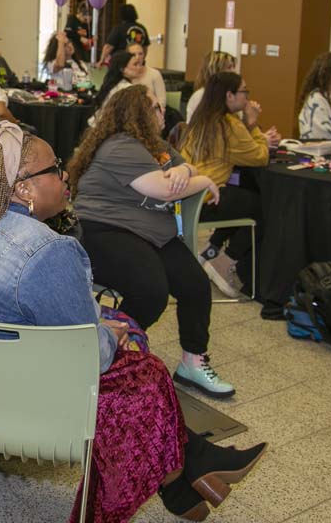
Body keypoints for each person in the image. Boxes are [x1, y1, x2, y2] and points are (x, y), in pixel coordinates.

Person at [0, 123, 265, 521]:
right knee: (140, 366)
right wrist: (110, 333)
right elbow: (92, 358)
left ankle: (183, 482)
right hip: (20, 404)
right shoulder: (48, 250)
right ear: (23, 189)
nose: (66, 175)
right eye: (54, 170)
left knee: (133, 359)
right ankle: (188, 468)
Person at [69, 85, 235, 399]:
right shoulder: (120, 145)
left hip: (151, 233)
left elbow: (187, 168)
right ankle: (112, 351)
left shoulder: (155, 146)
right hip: (104, 229)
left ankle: (192, 362)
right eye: (156, 107)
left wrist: (186, 170)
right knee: (151, 290)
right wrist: (203, 181)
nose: (163, 112)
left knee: (195, 285)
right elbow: (165, 190)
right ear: (140, 114)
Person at [180, 72, 279, 297]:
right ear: (229, 95)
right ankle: (225, 261)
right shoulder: (229, 125)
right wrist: (253, 126)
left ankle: (211, 250)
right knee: (267, 206)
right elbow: (259, 157)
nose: (247, 98)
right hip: (208, 198)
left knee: (242, 198)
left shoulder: (202, 119)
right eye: (244, 92)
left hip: (189, 198)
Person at [87, 50, 140, 127]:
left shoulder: (112, 85)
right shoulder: (127, 89)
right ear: (123, 69)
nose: (139, 67)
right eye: (135, 65)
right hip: (107, 131)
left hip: (96, 127)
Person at [186, 51, 236, 124]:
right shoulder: (200, 96)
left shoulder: (231, 95)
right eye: (229, 67)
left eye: (233, 67)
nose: (234, 71)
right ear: (216, 71)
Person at [126, 42, 167, 108]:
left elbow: (162, 102)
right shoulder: (124, 75)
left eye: (140, 54)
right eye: (133, 54)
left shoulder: (155, 74)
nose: (137, 57)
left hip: (151, 113)